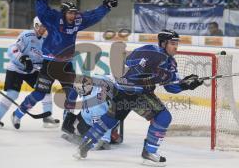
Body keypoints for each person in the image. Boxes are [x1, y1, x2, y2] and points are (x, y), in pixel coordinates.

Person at [73, 29, 203, 166]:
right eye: (172, 43)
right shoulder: (157, 55)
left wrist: (186, 84)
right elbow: (144, 72)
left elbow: (169, 86)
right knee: (164, 117)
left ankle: (84, 145)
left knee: (109, 120)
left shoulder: (160, 56)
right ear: (163, 43)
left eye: (177, 43)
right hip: (136, 92)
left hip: (122, 90)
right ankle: (149, 153)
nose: (175, 46)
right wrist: (171, 78)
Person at [11, 0, 118, 129]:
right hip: (49, 64)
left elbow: (93, 16)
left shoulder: (78, 21)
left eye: (74, 13)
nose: (73, 16)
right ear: (64, 13)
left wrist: (106, 7)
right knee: (40, 94)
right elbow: (42, 11)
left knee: (73, 93)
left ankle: (67, 122)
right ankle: (18, 114)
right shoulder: (54, 19)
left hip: (66, 64)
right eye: (70, 13)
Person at [0, 17, 59, 129]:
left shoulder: (47, 39)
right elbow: (12, 49)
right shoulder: (26, 35)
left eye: (44, 26)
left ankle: (47, 117)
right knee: (13, 94)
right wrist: (23, 59)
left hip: (32, 71)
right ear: (35, 25)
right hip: (16, 69)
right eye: (40, 26)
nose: (42, 29)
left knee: (44, 88)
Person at [62, 75, 118, 150]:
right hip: (96, 113)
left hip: (105, 116)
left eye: (79, 88)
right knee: (77, 126)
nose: (77, 90)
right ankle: (109, 135)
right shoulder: (90, 87)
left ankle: (109, 137)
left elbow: (103, 124)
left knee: (91, 126)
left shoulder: (96, 106)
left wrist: (104, 140)